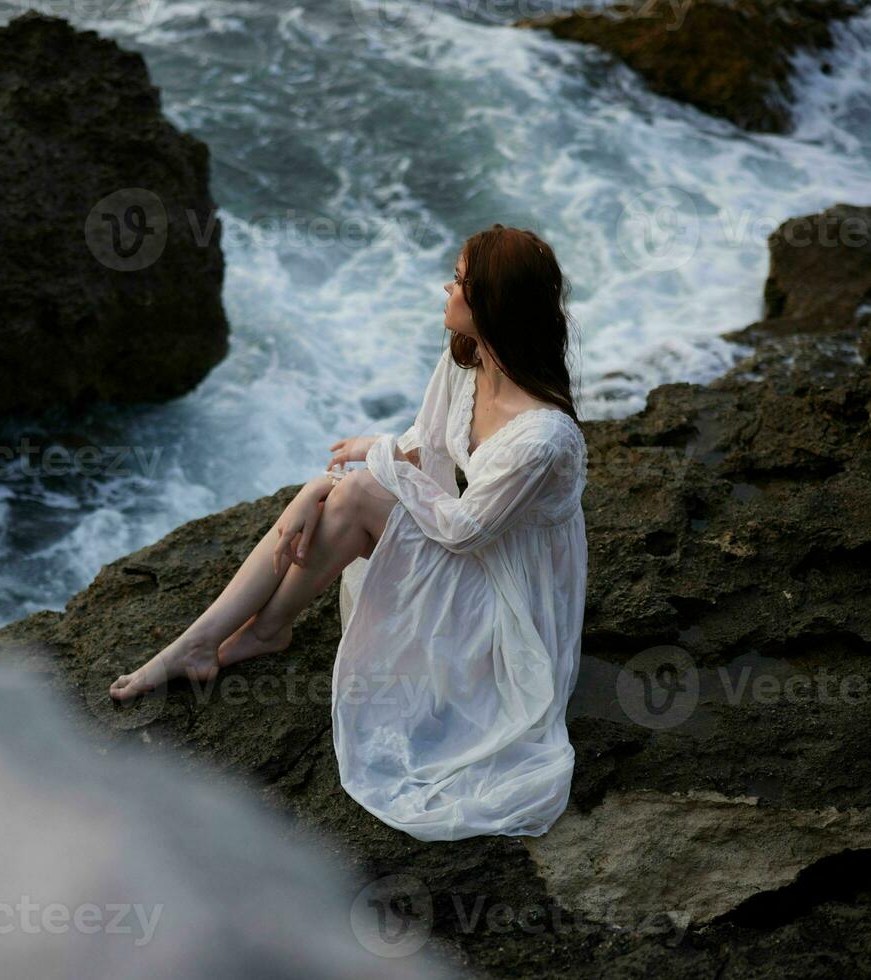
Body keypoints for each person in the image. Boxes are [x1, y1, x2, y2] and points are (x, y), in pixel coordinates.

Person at [109, 223, 588, 841]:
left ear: (492, 302)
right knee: (344, 495)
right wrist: (331, 484)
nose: (447, 288)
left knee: (353, 494)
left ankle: (230, 638)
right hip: (475, 544)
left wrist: (360, 468)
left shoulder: (544, 436)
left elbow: (464, 528)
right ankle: (226, 638)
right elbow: (430, 449)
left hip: (511, 599)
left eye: (461, 281)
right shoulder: (468, 362)